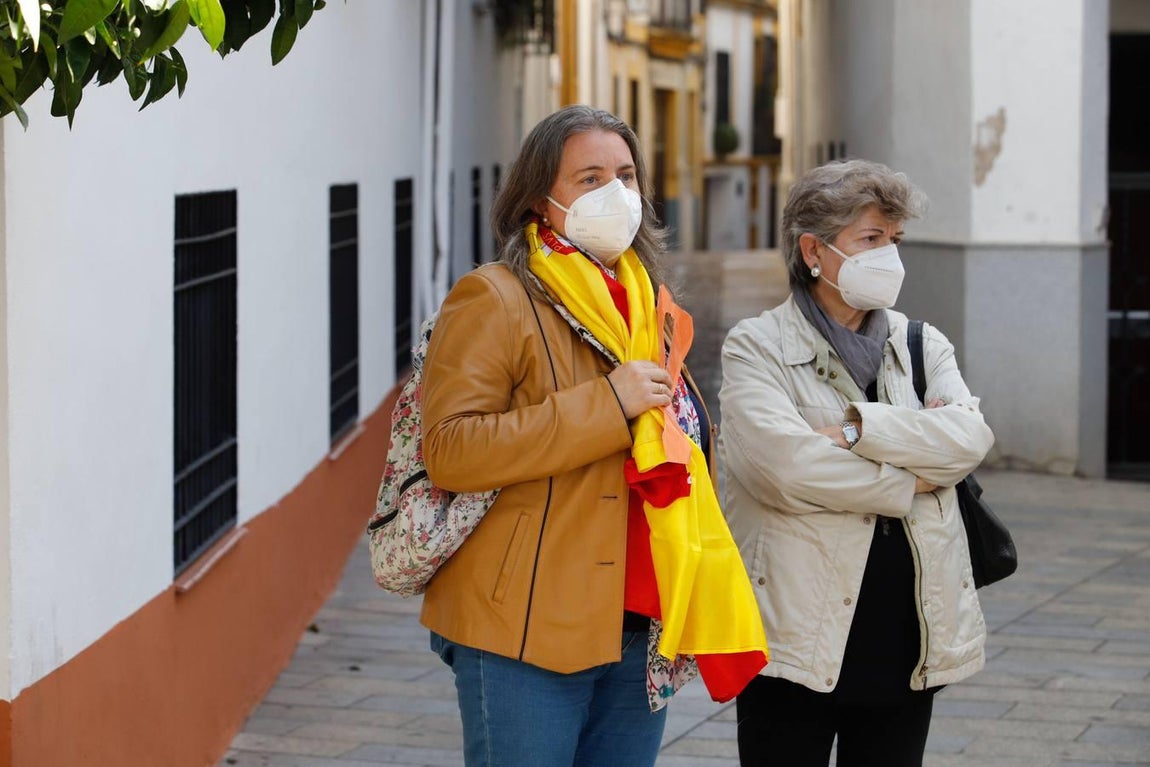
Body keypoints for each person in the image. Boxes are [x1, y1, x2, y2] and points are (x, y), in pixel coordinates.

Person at [418, 105, 767, 767]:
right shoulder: (492, 298)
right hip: (525, 630)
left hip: (640, 626)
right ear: (539, 201)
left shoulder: (647, 304)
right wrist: (608, 404)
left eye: (627, 174)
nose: (617, 193)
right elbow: (453, 449)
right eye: (589, 177)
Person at [719, 159, 995, 767]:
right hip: (795, 642)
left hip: (907, 640)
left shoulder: (921, 344)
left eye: (894, 241)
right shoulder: (756, 346)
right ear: (813, 249)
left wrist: (856, 427)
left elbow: (969, 440)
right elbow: (785, 470)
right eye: (870, 240)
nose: (889, 258)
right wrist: (912, 477)